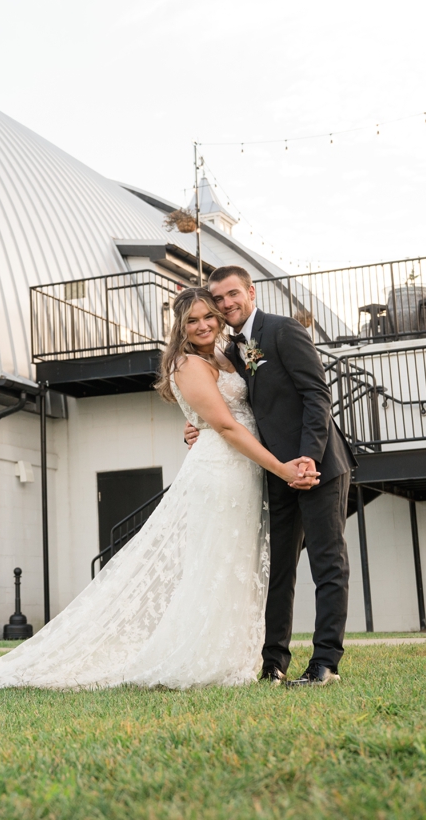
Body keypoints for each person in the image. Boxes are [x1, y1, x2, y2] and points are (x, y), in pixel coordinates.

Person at [0, 288, 313, 698]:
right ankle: (199, 658)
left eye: (208, 317)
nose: (202, 325)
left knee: (236, 562)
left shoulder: (225, 355)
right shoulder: (189, 363)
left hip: (245, 470)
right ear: (180, 327)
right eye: (192, 320)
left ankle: (237, 653)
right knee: (214, 563)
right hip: (222, 471)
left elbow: (245, 404)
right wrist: (279, 467)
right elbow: (224, 423)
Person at [184, 265, 354, 687]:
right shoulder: (234, 348)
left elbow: (317, 394)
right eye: (218, 299)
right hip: (274, 473)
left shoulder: (283, 331)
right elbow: (235, 408)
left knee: (327, 565)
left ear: (251, 292)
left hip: (316, 469)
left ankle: (325, 664)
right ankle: (273, 664)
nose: (225, 304)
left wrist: (307, 459)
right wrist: (197, 425)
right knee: (277, 570)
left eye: (231, 295)